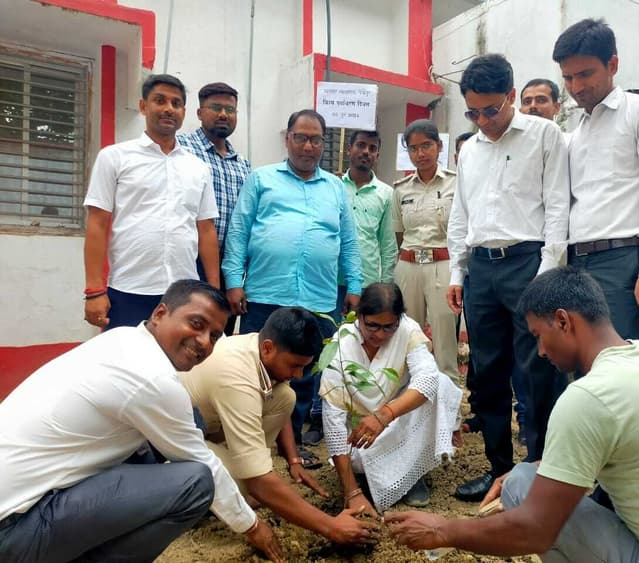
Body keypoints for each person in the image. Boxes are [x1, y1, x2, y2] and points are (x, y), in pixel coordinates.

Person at [387, 266, 639, 563]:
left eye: (538, 335)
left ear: (563, 321)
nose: (541, 351)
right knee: (530, 474)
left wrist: (441, 530)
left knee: (522, 488)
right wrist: (550, 465)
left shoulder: (588, 397)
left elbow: (534, 531)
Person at [0, 280, 284, 563]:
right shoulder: (153, 378)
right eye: (196, 324)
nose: (204, 341)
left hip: (27, 502)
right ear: (160, 314)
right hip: (15, 528)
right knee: (196, 482)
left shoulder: (122, 338)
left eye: (214, 336)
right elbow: (205, 463)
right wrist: (253, 527)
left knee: (184, 425)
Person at [447, 53, 570, 501]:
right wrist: (457, 271)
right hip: (481, 270)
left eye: (491, 110)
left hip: (528, 264)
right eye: (472, 113)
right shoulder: (470, 150)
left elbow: (557, 206)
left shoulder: (545, 136)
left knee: (536, 370)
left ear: (512, 96)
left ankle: (539, 471)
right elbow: (460, 213)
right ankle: (499, 470)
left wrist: (546, 273)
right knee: (487, 371)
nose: (483, 121)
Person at [222, 109, 362, 463]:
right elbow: (238, 231)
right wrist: (234, 281)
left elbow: (349, 242)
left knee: (303, 373)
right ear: (288, 139)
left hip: (318, 297)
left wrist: (355, 284)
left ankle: (292, 444)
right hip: (265, 294)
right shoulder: (261, 179)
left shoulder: (335, 188)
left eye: (315, 139)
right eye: (301, 137)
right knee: (254, 368)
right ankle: (247, 442)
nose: (308, 146)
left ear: (323, 144)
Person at [179, 306, 373, 546]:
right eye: (294, 366)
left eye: (304, 367)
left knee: (285, 396)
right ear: (268, 348)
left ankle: (242, 473)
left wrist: (293, 460)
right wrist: (331, 527)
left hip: (208, 427)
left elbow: (277, 398)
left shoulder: (259, 348)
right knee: (245, 482)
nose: (299, 375)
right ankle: (222, 490)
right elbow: (258, 480)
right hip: (177, 449)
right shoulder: (236, 376)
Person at [553, 18, 639, 343]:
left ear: (612, 65)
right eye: (568, 77)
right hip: (576, 264)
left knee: (623, 359)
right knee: (586, 360)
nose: (576, 87)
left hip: (622, 263)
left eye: (585, 74)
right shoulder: (576, 133)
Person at [83, 74, 220, 330]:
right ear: (143, 106)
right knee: (126, 356)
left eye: (176, 103)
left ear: (183, 112)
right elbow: (97, 223)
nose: (169, 108)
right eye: (160, 100)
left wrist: (213, 291)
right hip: (128, 289)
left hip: (184, 294)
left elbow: (206, 229)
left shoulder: (198, 168)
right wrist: (94, 291)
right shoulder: (114, 157)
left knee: (180, 357)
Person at [320, 283, 462, 512]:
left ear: (399, 319)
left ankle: (411, 473)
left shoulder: (407, 330)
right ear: (359, 316)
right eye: (372, 326)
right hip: (360, 441)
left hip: (394, 424)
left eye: (389, 327)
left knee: (440, 383)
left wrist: (384, 415)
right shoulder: (342, 345)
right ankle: (365, 477)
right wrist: (351, 492)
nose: (380, 334)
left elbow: (428, 380)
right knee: (359, 459)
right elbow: (333, 421)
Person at [304, 129, 397, 446]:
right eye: (360, 145)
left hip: (367, 285)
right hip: (329, 283)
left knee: (358, 349)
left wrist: (385, 288)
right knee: (326, 349)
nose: (366, 152)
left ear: (377, 154)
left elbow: (387, 245)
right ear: (349, 150)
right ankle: (319, 414)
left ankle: (355, 412)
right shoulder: (331, 186)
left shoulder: (385, 194)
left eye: (372, 147)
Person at [178, 82, 252, 335]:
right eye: (216, 107)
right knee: (183, 331)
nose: (223, 114)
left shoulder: (242, 165)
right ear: (199, 113)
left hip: (228, 266)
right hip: (188, 260)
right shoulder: (180, 149)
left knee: (217, 335)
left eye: (230, 110)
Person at [392, 119, 460, 387]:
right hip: (408, 266)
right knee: (408, 336)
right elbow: (399, 234)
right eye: (413, 148)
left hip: (443, 265)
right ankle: (407, 399)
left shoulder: (456, 183)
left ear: (439, 146)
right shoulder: (401, 189)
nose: (420, 153)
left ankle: (448, 404)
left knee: (444, 339)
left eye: (426, 146)